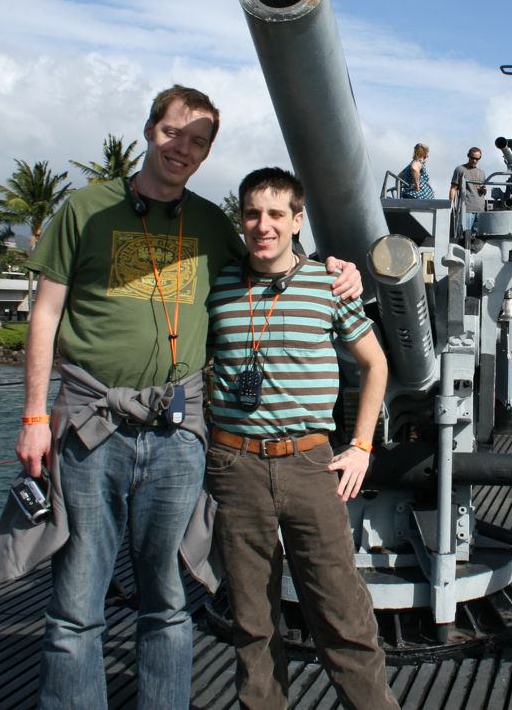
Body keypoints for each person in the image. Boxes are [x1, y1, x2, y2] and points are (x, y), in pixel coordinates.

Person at [0, 86, 362, 709]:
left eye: (197, 141)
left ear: (206, 152)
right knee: (77, 602)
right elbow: (45, 314)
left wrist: (337, 269)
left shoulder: (214, 224)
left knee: (167, 601)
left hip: (175, 432)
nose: (181, 148)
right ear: (148, 131)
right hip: (89, 424)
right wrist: (33, 416)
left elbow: (272, 258)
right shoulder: (85, 209)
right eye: (172, 133)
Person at [206, 167, 398, 710]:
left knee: (342, 613)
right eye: (251, 214)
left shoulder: (329, 283)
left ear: (296, 221)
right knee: (252, 619)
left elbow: (375, 364)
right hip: (234, 463)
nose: (262, 225)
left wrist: (360, 446)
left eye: (274, 215)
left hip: (310, 464)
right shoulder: (219, 284)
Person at [449, 146, 487, 233]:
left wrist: (484, 190)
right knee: (463, 237)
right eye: (472, 158)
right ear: (468, 156)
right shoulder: (460, 170)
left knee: (478, 239)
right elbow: (453, 188)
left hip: (480, 211)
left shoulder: (482, 173)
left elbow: (484, 192)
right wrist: (451, 205)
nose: (474, 160)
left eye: (477, 159)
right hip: (466, 210)